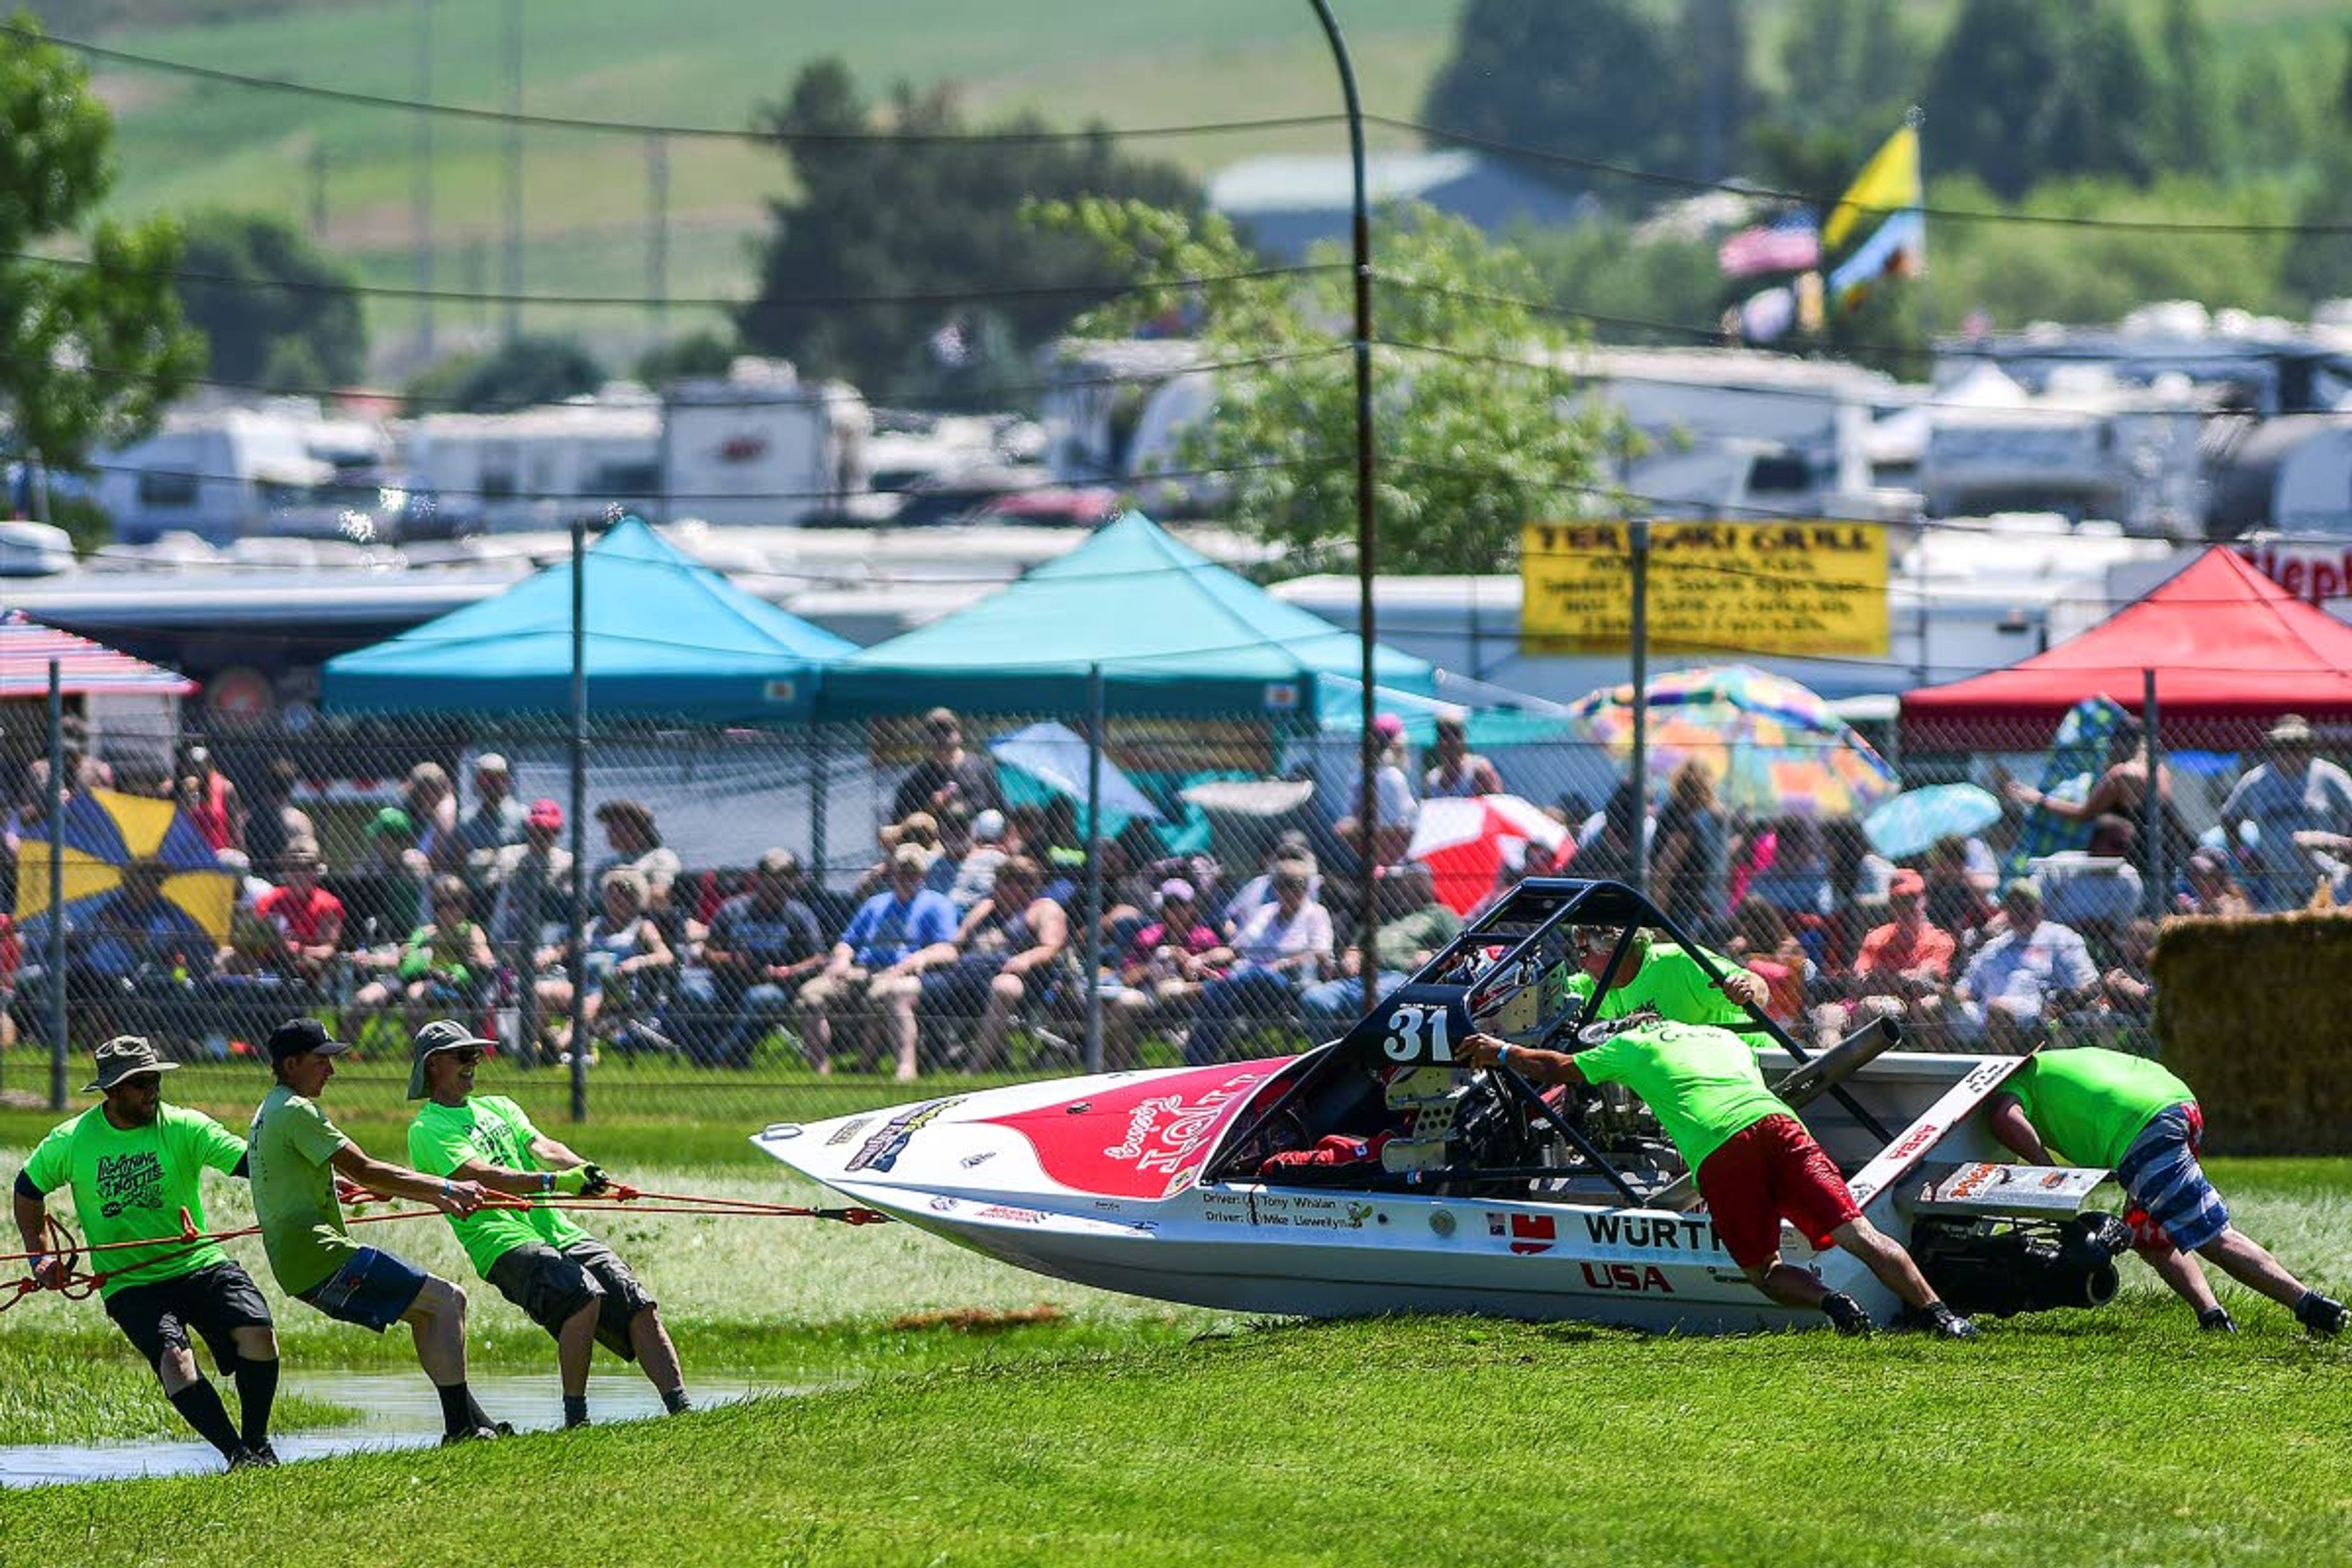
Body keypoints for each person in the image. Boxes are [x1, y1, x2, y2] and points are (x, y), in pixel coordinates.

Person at [1460, 1014, 1978, 1338]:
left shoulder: (1633, 1045)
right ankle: (1942, 1318)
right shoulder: (1724, 1037)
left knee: (1766, 1272)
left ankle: (1832, 1302)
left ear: (1636, 1024)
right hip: (1778, 1125)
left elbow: (1557, 1068)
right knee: (1861, 1235)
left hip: (1720, 1148)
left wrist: (1501, 1052)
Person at [12, 1036, 282, 1469]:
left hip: (199, 1263)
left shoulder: (184, 1126)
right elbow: (28, 1190)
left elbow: (251, 1163)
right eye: (139, 1083)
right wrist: (39, 1257)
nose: (151, 1090)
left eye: (154, 1079)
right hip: (131, 1282)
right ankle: (236, 1455)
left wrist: (314, 1185)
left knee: (259, 1332)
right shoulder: (72, 1140)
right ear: (112, 1090)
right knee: (176, 1364)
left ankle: (258, 1444)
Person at [405, 1020, 692, 1428]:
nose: (475, 1063)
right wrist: (555, 1182)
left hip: (555, 1229)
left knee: (634, 1301)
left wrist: (587, 1171)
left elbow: (543, 1146)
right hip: (502, 1241)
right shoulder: (427, 1128)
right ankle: (577, 1420)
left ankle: (682, 1411)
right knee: (580, 1295)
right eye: (463, 1056)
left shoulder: (499, 1106)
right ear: (435, 1065)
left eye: (477, 1054)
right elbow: (478, 1173)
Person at [244, 1017, 508, 1445]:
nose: (331, 1070)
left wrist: (347, 1188)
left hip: (300, 1262)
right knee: (447, 1301)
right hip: (320, 1256)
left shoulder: (269, 1109)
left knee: (430, 1310)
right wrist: (445, 1188)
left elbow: (315, 1174)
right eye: (321, 1061)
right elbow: (366, 1168)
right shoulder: (297, 1111)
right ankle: (461, 1428)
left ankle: (477, 1424)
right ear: (291, 1064)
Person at [1985, 1046, 2345, 1336]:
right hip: (2177, 1103)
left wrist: (2050, 1174)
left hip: (2139, 1127)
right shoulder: (2049, 1064)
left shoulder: (2010, 1084)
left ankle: (2311, 1306)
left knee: (2209, 1235)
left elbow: (2004, 1116)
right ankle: (2213, 1317)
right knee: (2150, 1236)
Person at [796, 843, 959, 1080]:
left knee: (881, 995)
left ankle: (874, 1065)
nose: (906, 877)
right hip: (860, 971)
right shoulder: (875, 904)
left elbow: (948, 950)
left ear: (924, 874)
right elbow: (847, 941)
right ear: (892, 872)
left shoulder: (938, 904)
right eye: (902, 871)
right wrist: (842, 959)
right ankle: (821, 1073)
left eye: (913, 872)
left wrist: (917, 959)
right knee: (810, 995)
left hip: (899, 974)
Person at [1182, 859, 1331, 1065]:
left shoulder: (1316, 914)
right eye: (1282, 884)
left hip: (1290, 987)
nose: (1289, 891)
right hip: (1248, 987)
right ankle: (1198, 1065)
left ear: (1305, 887)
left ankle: (1196, 1061)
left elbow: (1320, 954)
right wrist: (1202, 959)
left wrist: (1281, 964)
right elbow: (1236, 950)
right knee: (1218, 991)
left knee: (1235, 983)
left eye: (1296, 884)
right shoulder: (1266, 912)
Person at [691, 848, 827, 1069]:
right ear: (760, 879)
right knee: (692, 992)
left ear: (794, 882)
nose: (780, 887)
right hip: (728, 981)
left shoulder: (800, 914)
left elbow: (819, 958)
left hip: (774, 985)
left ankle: (724, 1057)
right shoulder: (733, 909)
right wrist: (733, 960)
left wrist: (789, 971)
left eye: (787, 881)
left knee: (763, 998)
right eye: (774, 880)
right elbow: (707, 952)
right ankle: (702, 1056)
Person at [1300, 861, 1461, 1030]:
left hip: (1400, 978)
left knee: (1370, 999)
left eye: (1418, 881)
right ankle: (1329, 1054)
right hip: (1360, 979)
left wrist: (1434, 955)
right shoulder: (1381, 915)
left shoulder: (1439, 914)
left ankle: (1367, 1053)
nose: (1410, 886)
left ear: (1429, 883)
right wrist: (1352, 956)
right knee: (1314, 998)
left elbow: (1463, 948)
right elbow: (1356, 946)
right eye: (1407, 881)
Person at [1948, 880, 2098, 1053]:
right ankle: (1941, 1075)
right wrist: (1948, 995)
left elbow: (2086, 984)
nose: (2020, 912)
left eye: (2026, 906)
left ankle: (2003, 1072)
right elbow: (1966, 989)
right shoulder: (1995, 946)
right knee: (1931, 1006)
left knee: (1997, 1010)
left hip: (2034, 1015)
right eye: (2013, 907)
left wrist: (2065, 1001)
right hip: (1984, 1015)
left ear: (2040, 907)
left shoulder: (2061, 938)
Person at [2218, 714, 2352, 910]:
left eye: (2298, 746)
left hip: (2328, 883)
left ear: (2309, 747)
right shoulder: (2256, 781)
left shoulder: (2329, 776)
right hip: (2278, 887)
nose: (2291, 753)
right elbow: (2229, 818)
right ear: (2273, 748)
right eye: (2284, 747)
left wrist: (2345, 850)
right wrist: (2245, 854)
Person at [1812, 869, 1956, 1049]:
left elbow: (1922, 981)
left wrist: (1884, 979)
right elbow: (1859, 978)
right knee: (1827, 1014)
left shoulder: (1939, 940)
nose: (1907, 906)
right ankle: (1831, 1066)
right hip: (1870, 999)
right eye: (1899, 900)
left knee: (1872, 1006)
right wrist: (1895, 980)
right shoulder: (1877, 936)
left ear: (1923, 900)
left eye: (1912, 898)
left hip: (1908, 1007)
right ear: (1892, 904)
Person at [1104, 879, 1226, 1067]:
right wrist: (1154, 964)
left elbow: (1220, 980)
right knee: (1124, 1002)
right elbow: (1127, 979)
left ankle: (1197, 1065)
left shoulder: (1204, 937)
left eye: (1182, 904)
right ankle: (1119, 1070)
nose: (1176, 910)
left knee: (1171, 990)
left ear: (1192, 907)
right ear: (1163, 909)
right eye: (1170, 904)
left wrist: (1186, 961)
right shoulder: (1149, 936)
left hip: (1191, 997)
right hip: (1153, 996)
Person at [1333, 712, 1417, 869]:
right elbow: (1391, 830)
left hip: (1369, 861)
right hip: (1395, 864)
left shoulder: (1359, 776)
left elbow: (1345, 823)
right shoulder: (1392, 777)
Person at [891, 707, 1001, 824]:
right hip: (935, 839)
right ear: (926, 736)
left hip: (979, 839)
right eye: (934, 731)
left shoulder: (980, 766)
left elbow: (999, 806)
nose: (940, 736)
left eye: (946, 729)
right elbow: (901, 820)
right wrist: (930, 808)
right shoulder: (917, 777)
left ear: (959, 733)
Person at [1422, 713, 1503, 799]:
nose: (1450, 740)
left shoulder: (1479, 768)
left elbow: (1495, 805)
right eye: (1443, 734)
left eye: (1456, 733)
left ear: (1464, 737)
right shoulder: (1431, 779)